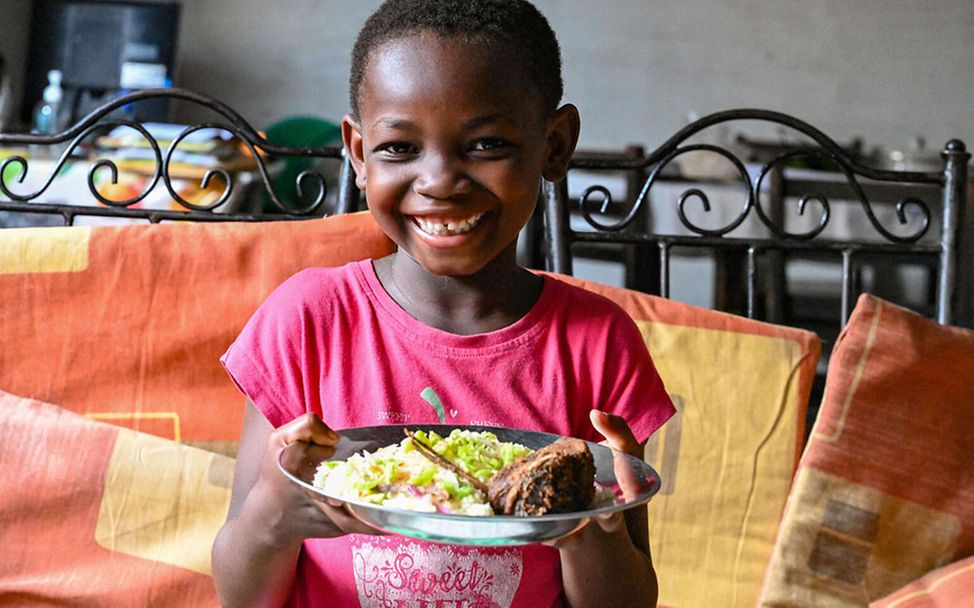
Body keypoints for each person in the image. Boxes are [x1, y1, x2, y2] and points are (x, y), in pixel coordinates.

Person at [211, 1, 675, 606]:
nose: (439, 181)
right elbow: (241, 597)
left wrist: (585, 520)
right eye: (400, 149)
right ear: (356, 151)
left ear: (554, 145)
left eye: (486, 144)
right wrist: (277, 512)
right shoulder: (308, 321)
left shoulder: (597, 344)